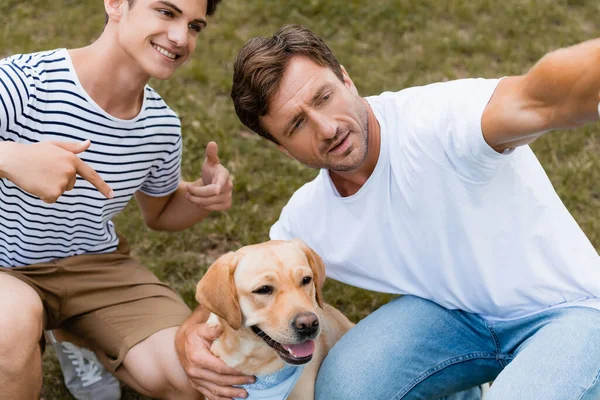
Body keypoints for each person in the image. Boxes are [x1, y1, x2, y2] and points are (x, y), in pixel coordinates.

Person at [176, 24, 600, 400]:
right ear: (283, 149)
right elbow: (237, 284)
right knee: (344, 391)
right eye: (296, 125)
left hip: (571, 312)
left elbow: (542, 99)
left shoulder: (441, 121)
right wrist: (188, 335)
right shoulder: (306, 222)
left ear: (347, 79)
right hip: (452, 318)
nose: (326, 127)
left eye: (324, 97)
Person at [0, 0, 238, 399]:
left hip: (94, 267)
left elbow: (159, 214)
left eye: (195, 25)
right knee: (10, 328)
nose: (181, 38)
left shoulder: (161, 126)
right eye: (166, 12)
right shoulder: (22, 82)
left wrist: (200, 198)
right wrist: (9, 156)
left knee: (199, 372)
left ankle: (73, 332)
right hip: (5, 268)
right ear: (114, 4)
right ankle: (43, 327)